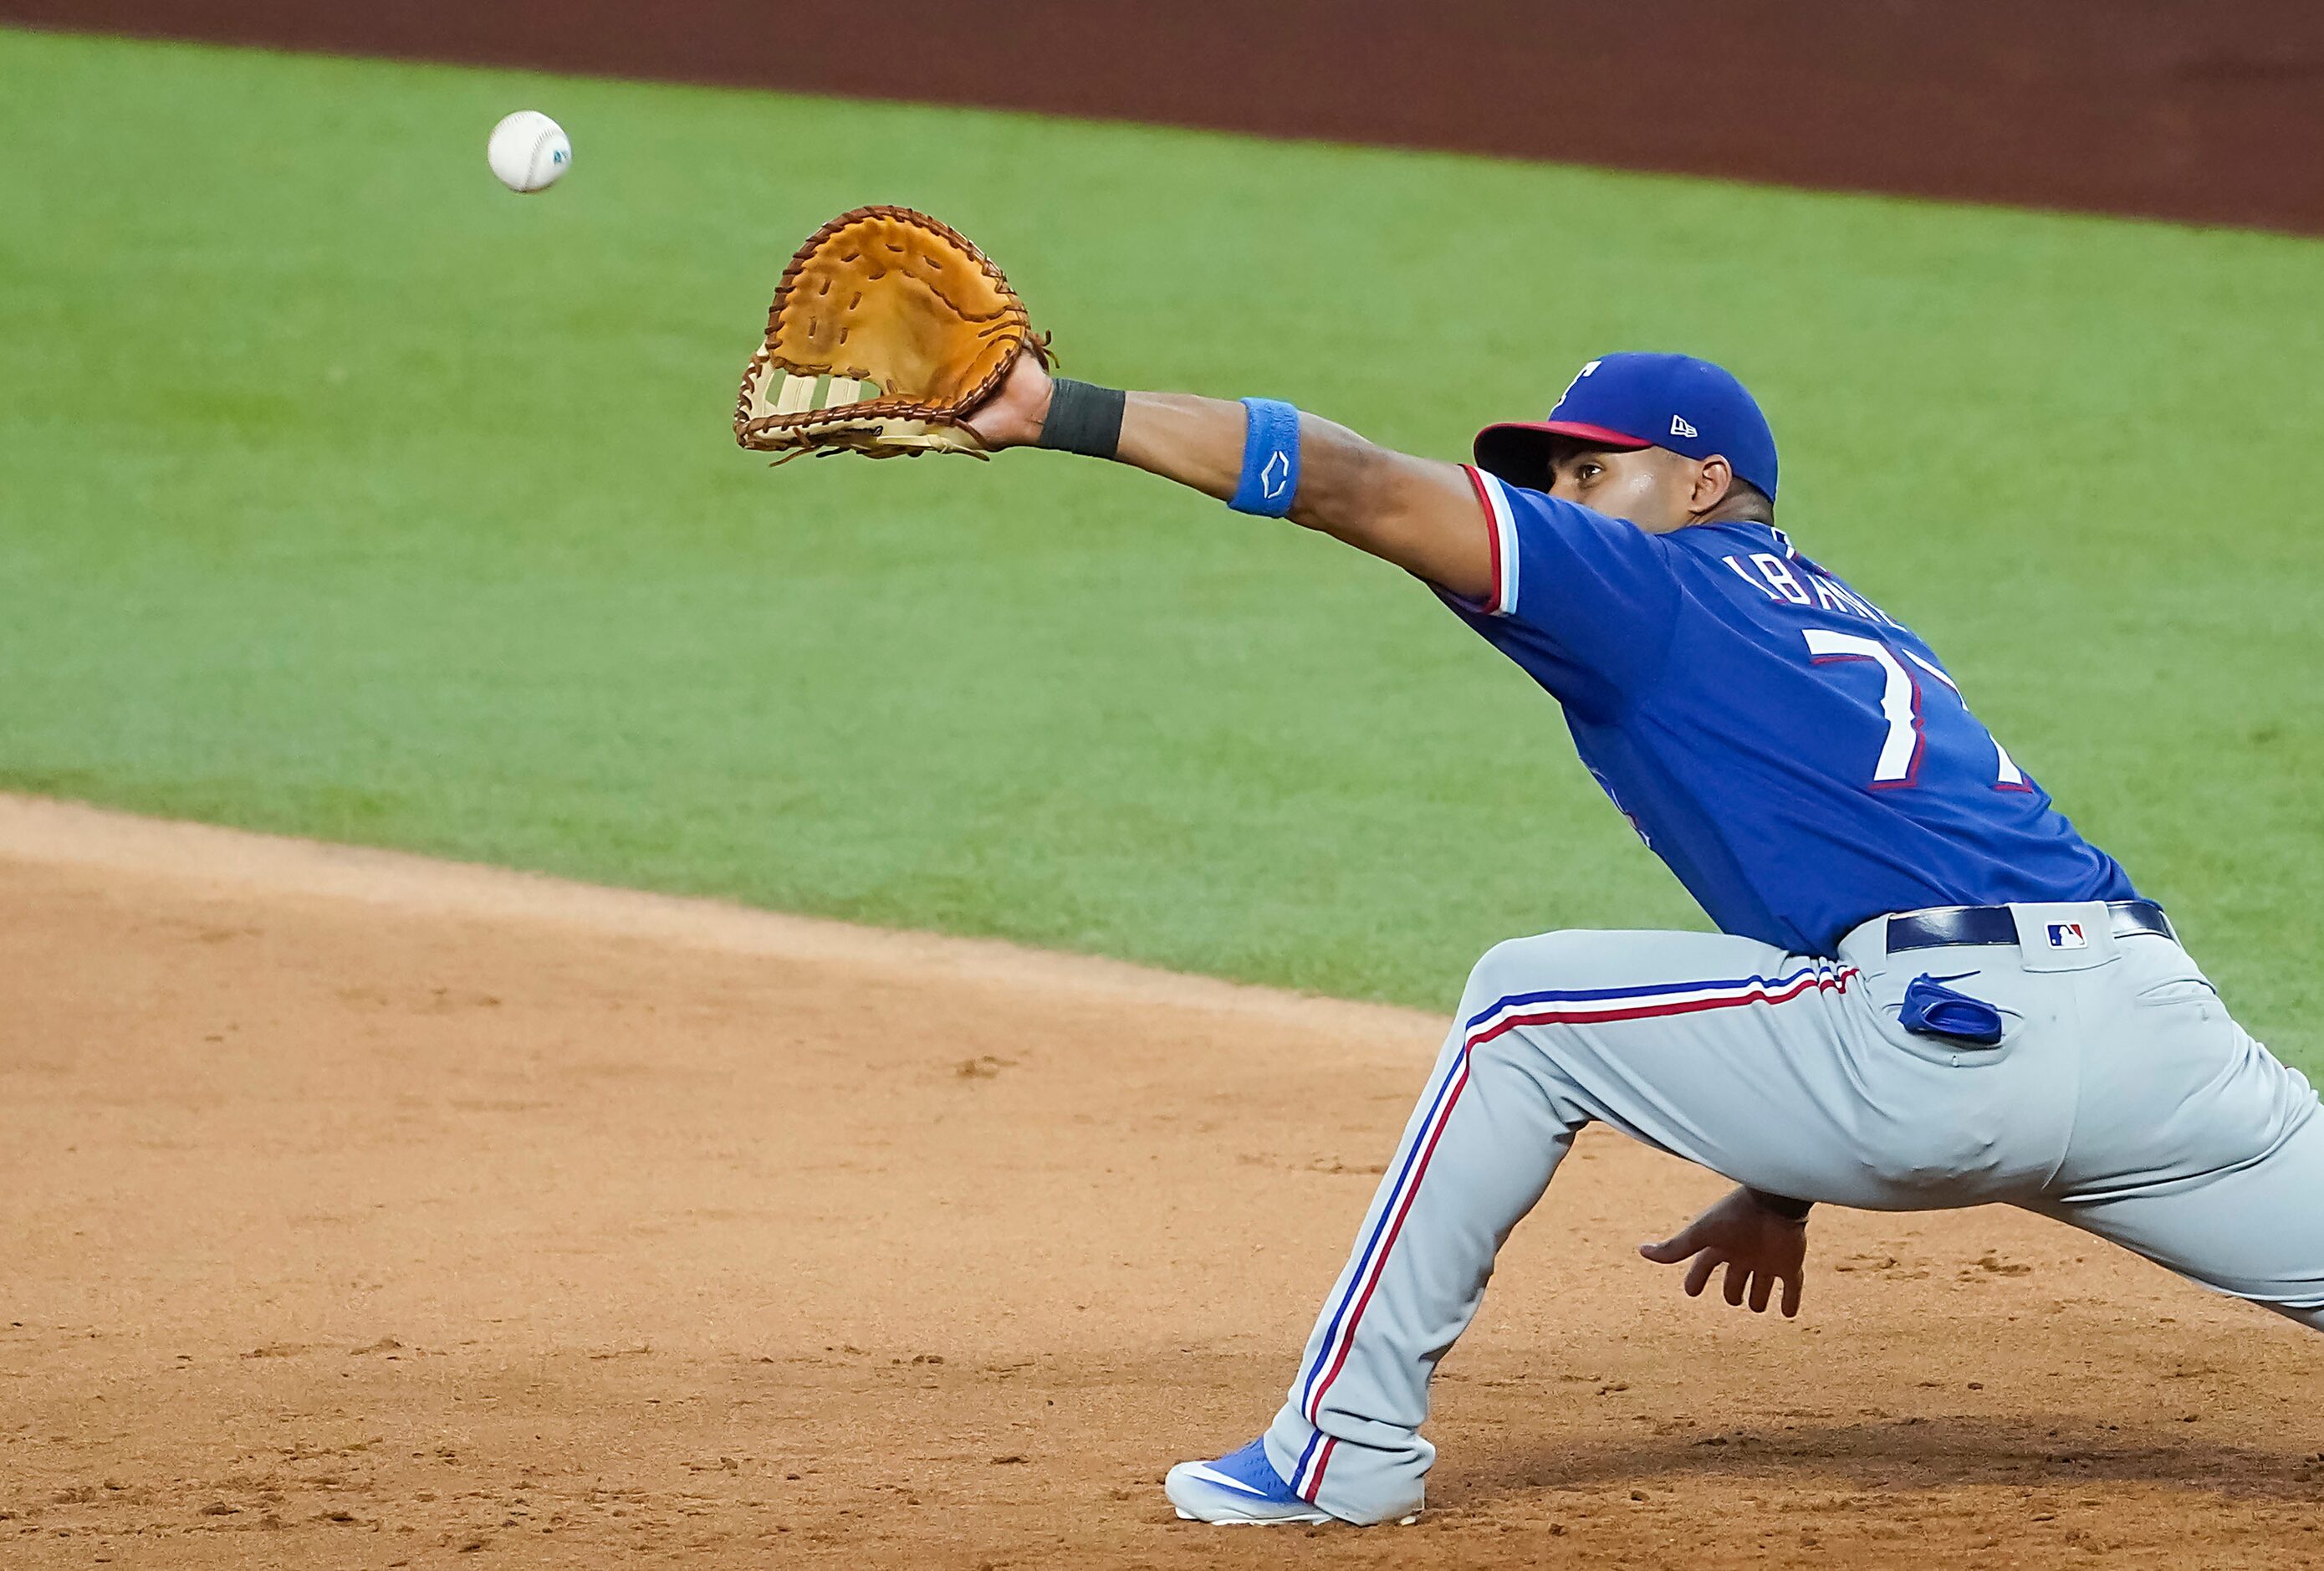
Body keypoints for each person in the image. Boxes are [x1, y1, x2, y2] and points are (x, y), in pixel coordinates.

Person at [964, 350, 2324, 1527]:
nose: (1558, 501)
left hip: (1945, 1057)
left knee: (1522, 1007)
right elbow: (1837, 882)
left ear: (1700, 481)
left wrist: (1059, 410)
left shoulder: (1648, 586)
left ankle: (1344, 1451)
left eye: (1588, 471)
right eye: (1547, 478)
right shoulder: (1842, 618)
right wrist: (1780, 1176)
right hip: (2165, 1038)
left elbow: (1353, 480)